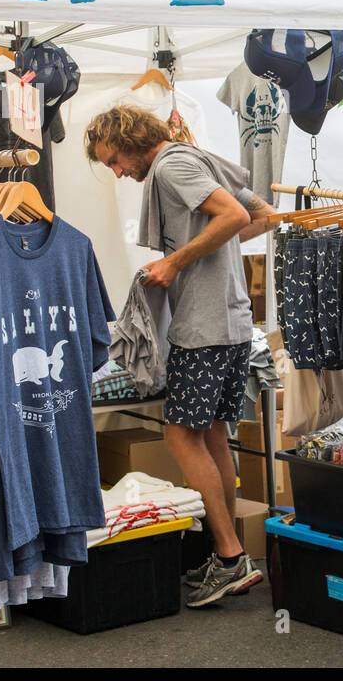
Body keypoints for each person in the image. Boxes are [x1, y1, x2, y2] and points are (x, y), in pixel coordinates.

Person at [85, 105, 274, 608]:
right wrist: (211, 250)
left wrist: (176, 259)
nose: (119, 174)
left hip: (205, 327)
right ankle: (224, 552)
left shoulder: (172, 166)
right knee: (211, 433)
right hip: (230, 323)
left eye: (115, 162)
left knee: (179, 434)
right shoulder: (197, 158)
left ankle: (232, 556)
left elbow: (237, 217)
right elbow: (262, 216)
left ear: (128, 138)